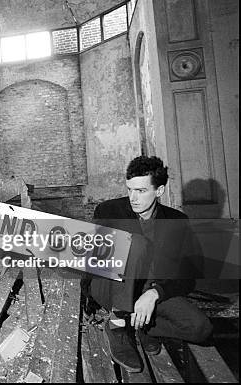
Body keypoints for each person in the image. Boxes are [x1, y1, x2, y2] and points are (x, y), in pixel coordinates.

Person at [82, 156, 212, 373]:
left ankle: (141, 326)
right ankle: (117, 325)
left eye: (141, 191)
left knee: (200, 328)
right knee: (137, 243)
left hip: (145, 290)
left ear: (159, 191)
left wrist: (155, 293)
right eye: (130, 189)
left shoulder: (177, 221)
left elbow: (189, 276)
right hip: (110, 286)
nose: (133, 198)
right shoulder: (108, 211)